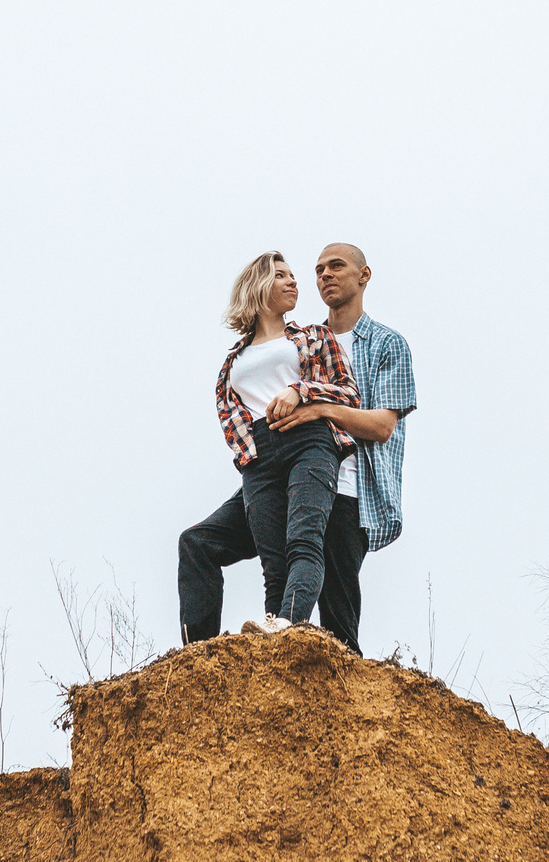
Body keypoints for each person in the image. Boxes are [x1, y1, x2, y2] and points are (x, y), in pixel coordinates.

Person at [177, 242, 416, 653]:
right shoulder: (301, 339)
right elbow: (235, 412)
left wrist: (311, 405)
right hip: (268, 466)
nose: (321, 275)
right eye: (318, 268)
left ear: (364, 275)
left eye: (336, 266)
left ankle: (337, 690)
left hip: (347, 484)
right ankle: (222, 654)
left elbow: (380, 425)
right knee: (210, 545)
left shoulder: (379, 344)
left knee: (338, 621)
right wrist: (249, 455)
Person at [198, 251, 362, 635]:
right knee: (273, 564)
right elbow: (229, 417)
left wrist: (300, 390)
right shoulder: (230, 364)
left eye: (293, 276)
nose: (294, 281)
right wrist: (247, 456)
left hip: (309, 441)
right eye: (281, 276)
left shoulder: (313, 337)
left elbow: (348, 393)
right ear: (258, 288)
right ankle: (276, 635)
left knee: (304, 541)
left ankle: (291, 621)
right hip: (258, 455)